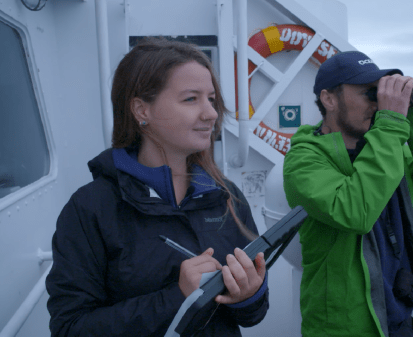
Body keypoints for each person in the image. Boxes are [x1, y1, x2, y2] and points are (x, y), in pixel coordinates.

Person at [46, 38, 268, 337]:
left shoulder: (225, 196)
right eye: (191, 99)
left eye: (211, 99)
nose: (211, 113)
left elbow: (252, 315)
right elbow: (70, 329)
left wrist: (249, 295)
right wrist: (177, 297)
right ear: (141, 110)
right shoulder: (91, 208)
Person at [283, 51, 413, 337]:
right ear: (329, 99)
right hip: (343, 329)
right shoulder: (303, 161)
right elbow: (355, 213)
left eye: (380, 94)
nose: (378, 104)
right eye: (369, 94)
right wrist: (391, 124)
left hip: (397, 319)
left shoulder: (387, 149)